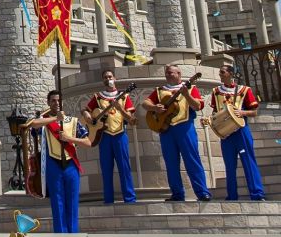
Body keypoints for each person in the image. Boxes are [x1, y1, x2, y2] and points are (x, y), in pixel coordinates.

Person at [142, 64, 212, 202]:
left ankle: (202, 192)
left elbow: (198, 106)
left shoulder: (190, 88)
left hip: (185, 128)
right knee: (171, 163)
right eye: (167, 73)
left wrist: (186, 95)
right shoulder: (160, 90)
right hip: (167, 130)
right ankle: (177, 194)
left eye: (171, 73)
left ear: (179, 74)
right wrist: (154, 108)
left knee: (192, 160)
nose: (168, 75)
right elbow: (145, 103)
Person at [28, 90, 90, 233]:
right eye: (53, 100)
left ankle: (73, 234)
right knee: (57, 202)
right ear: (48, 103)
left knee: (73, 202)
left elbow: (87, 142)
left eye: (58, 100)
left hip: (71, 165)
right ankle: (61, 235)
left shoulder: (73, 121)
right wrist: (55, 119)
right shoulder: (45, 122)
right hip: (53, 164)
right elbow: (33, 124)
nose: (56, 103)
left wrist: (69, 139)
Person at [210, 64, 265, 201]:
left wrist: (241, 112)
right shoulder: (216, 91)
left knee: (248, 162)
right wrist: (210, 120)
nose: (220, 75)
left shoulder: (244, 90)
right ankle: (232, 196)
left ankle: (257, 194)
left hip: (241, 131)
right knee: (229, 165)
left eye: (222, 72)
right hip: (226, 134)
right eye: (220, 72)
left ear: (231, 74)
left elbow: (254, 112)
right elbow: (215, 112)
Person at [81, 70, 137, 204]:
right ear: (103, 81)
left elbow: (132, 120)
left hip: (120, 135)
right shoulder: (98, 97)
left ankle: (130, 199)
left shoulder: (124, 97)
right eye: (105, 77)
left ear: (115, 78)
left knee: (124, 168)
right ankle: (108, 200)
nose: (108, 79)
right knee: (106, 169)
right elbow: (85, 110)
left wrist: (120, 108)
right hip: (104, 136)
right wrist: (88, 117)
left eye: (110, 76)